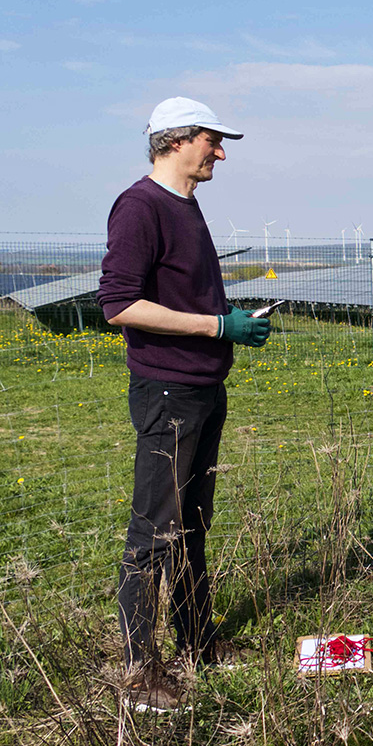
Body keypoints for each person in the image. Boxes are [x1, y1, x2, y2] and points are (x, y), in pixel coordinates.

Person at [97, 97, 270, 712]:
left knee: (192, 527)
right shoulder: (141, 207)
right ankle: (140, 674)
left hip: (201, 389)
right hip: (167, 391)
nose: (220, 152)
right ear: (176, 141)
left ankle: (199, 643)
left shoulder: (187, 207)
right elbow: (118, 303)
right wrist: (219, 328)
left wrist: (224, 328)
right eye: (212, 140)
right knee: (154, 531)